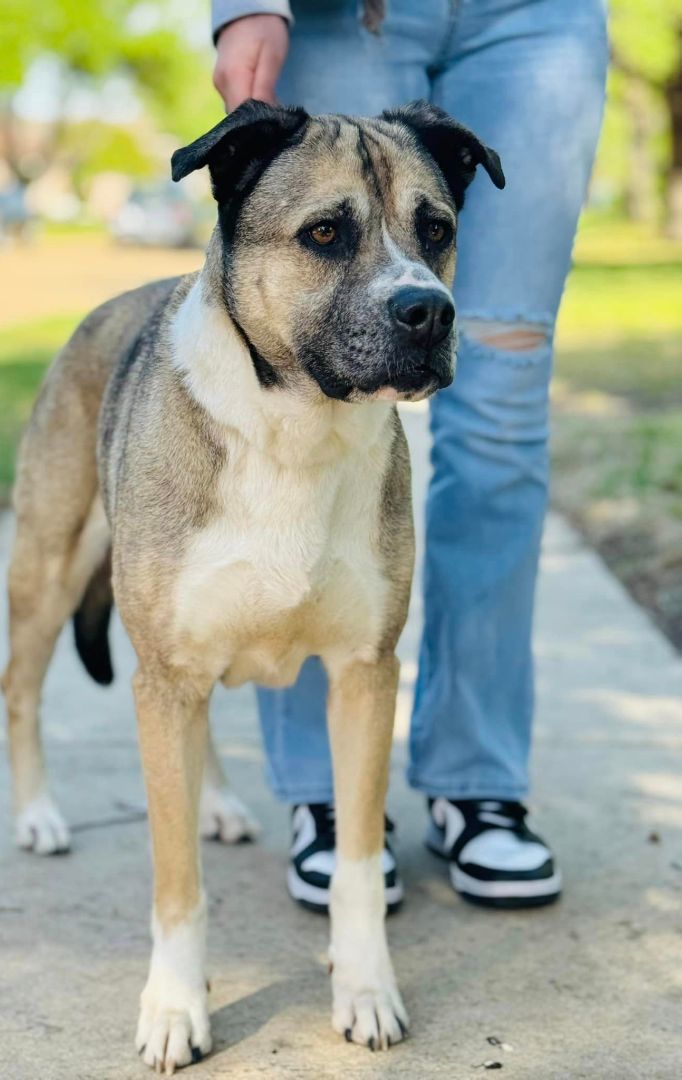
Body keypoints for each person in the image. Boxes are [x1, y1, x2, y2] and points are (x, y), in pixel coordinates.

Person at [210, 0, 608, 911]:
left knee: (502, 403)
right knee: (305, 393)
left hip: (536, 21)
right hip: (337, 12)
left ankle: (477, 781)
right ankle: (326, 794)